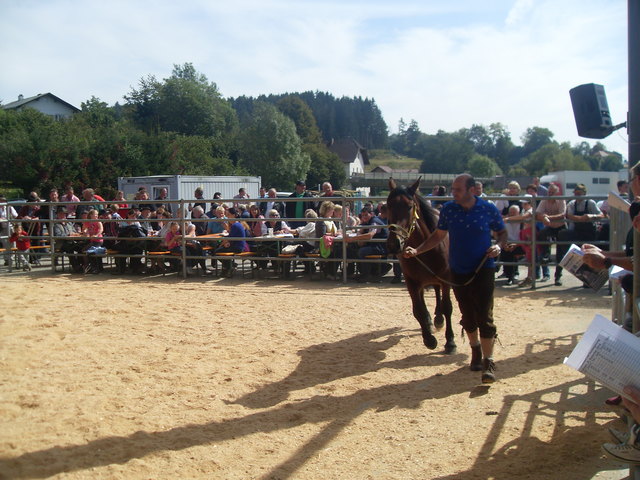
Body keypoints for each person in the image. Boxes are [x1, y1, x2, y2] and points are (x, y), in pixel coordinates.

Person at [403, 173, 507, 384]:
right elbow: (439, 236)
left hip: (483, 267)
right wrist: (419, 250)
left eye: (458, 189)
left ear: (471, 190)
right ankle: (475, 349)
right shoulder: (449, 210)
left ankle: (488, 361)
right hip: (458, 270)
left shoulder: (488, 209)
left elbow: (502, 233)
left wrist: (498, 246)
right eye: (453, 189)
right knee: (468, 316)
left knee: (485, 317)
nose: (453, 192)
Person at [555, 183, 603, 286]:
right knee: (563, 237)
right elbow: (570, 217)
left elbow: (601, 215)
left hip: (589, 233)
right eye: (575, 193)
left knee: (589, 254)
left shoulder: (590, 203)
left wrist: (591, 216)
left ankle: (589, 279)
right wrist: (581, 219)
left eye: (579, 194)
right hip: (576, 232)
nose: (577, 196)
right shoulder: (572, 203)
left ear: (584, 194)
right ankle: (560, 273)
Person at [343, 205, 388, 283]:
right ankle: (365, 272)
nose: (364, 217)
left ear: (371, 214)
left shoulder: (374, 221)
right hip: (373, 245)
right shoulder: (366, 222)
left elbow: (370, 235)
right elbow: (360, 234)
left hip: (380, 246)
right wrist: (360, 232)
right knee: (353, 248)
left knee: (362, 251)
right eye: (363, 215)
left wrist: (352, 239)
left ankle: (367, 275)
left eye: (366, 215)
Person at [535, 183, 567, 284]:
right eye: (549, 192)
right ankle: (546, 254)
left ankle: (558, 277)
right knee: (541, 234)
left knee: (560, 253)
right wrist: (543, 217)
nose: (550, 194)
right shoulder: (544, 200)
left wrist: (547, 217)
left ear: (557, 193)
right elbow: (538, 213)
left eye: (552, 192)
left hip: (560, 227)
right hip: (549, 226)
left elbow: (562, 214)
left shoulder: (561, 200)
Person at [215, 207, 247, 277]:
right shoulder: (237, 224)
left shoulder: (235, 225)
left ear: (234, 215)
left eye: (229, 215)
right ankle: (228, 267)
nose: (227, 217)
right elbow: (231, 238)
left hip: (238, 247)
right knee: (221, 250)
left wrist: (222, 244)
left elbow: (229, 238)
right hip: (237, 245)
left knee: (217, 251)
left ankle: (229, 267)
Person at [0, 196, 18, 266]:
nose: (2, 202)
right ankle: (7, 259)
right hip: (2, 228)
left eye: (3, 201)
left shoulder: (9, 207)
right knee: (4, 243)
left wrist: (9, 218)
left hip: (10, 227)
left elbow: (16, 216)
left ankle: (12, 258)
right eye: (0, 201)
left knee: (12, 242)